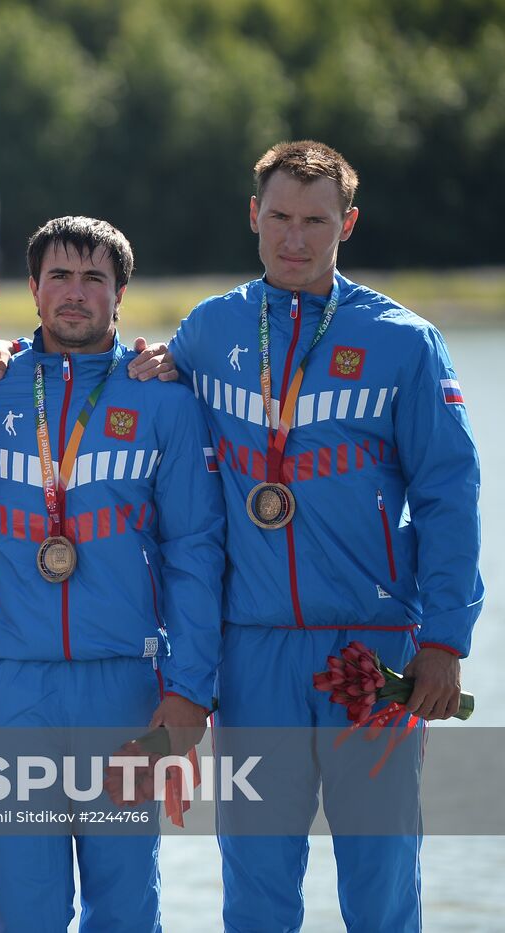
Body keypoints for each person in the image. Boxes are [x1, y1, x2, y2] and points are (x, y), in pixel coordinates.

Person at [130, 140, 483, 931]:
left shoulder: (403, 341)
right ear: (254, 215)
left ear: (347, 224)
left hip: (374, 646)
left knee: (380, 881)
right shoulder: (209, 331)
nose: (296, 238)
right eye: (280, 217)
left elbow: (448, 496)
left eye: (315, 221)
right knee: (256, 885)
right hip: (252, 653)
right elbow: (105, 370)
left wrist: (446, 639)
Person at [0, 216, 224, 931]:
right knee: (22, 905)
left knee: (125, 904)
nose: (75, 293)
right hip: (15, 682)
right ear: (32, 288)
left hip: (125, 683)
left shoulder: (164, 399)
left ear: (120, 293)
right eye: (59, 277)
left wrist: (190, 689)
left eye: (94, 278)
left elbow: (195, 552)